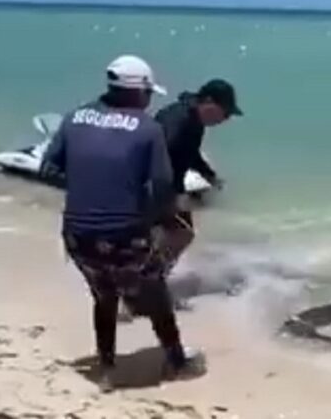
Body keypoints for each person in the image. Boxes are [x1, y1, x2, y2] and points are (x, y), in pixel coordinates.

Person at [41, 55, 204, 392]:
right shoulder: (148, 129)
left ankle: (106, 363)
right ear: (136, 92)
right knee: (156, 293)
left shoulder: (74, 118)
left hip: (77, 235)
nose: (149, 100)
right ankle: (176, 361)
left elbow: (48, 169)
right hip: (124, 235)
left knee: (103, 296)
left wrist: (89, 188)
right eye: (148, 93)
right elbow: (161, 186)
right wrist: (147, 216)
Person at [120, 78, 243, 318]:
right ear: (208, 102)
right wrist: (168, 197)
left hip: (160, 189)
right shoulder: (179, 121)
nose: (226, 119)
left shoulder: (192, 119)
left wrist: (209, 174)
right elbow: (155, 156)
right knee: (176, 235)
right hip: (148, 188)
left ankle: (146, 289)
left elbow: (190, 152)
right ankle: (141, 293)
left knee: (175, 236)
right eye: (225, 112)